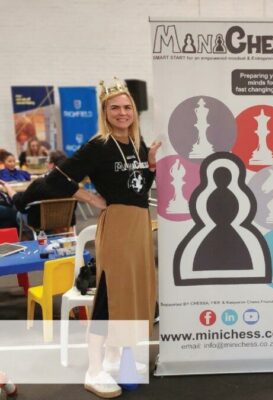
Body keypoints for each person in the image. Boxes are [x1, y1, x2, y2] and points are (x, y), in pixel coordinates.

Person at [45, 78, 161, 398]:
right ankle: (94, 369)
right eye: (115, 108)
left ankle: (113, 355)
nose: (122, 113)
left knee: (133, 293)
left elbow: (138, 186)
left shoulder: (135, 143)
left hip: (139, 224)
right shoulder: (98, 145)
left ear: (134, 111)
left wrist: (151, 164)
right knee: (110, 295)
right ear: (105, 112)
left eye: (127, 107)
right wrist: (90, 198)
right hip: (118, 226)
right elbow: (56, 180)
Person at [0, 151, 74, 231]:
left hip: (39, 221)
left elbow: (20, 204)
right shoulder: (72, 184)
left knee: (16, 212)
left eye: (46, 161)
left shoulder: (39, 184)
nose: (45, 163)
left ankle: (25, 235)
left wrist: (8, 187)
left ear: (51, 164)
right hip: (64, 220)